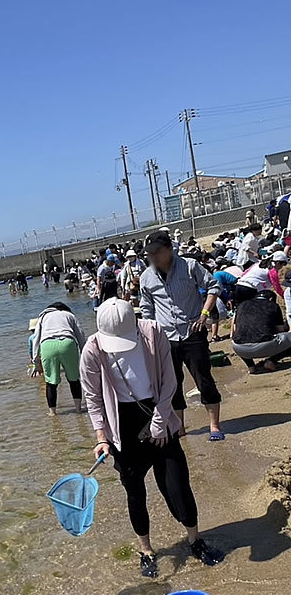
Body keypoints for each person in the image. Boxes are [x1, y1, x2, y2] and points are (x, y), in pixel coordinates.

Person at [81, 298, 224, 578]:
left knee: (177, 483)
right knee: (135, 492)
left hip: (157, 412)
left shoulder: (152, 332)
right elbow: (93, 398)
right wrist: (101, 436)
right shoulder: (92, 349)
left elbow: (170, 380)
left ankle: (195, 540)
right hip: (122, 425)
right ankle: (146, 550)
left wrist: (159, 423)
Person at [139, 231, 224, 441]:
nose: (153, 257)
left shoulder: (190, 266)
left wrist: (204, 314)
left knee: (203, 379)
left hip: (193, 331)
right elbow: (146, 309)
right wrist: (148, 338)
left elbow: (213, 286)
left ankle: (214, 426)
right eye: (150, 254)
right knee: (172, 384)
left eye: (157, 252)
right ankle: (180, 427)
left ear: (169, 249)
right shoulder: (146, 277)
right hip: (165, 337)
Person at [31, 302, 86, 415]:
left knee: (51, 382)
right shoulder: (70, 315)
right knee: (74, 379)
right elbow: (80, 335)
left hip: (47, 345)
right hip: (68, 344)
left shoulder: (43, 317)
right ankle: (78, 409)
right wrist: (85, 354)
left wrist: (36, 362)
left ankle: (52, 412)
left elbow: (36, 339)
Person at [231, 290, 291, 374]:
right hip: (264, 345)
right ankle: (271, 361)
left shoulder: (242, 305)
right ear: (271, 299)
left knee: (242, 335)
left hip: (239, 348)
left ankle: (251, 367)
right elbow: (280, 329)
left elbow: (235, 329)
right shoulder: (273, 305)